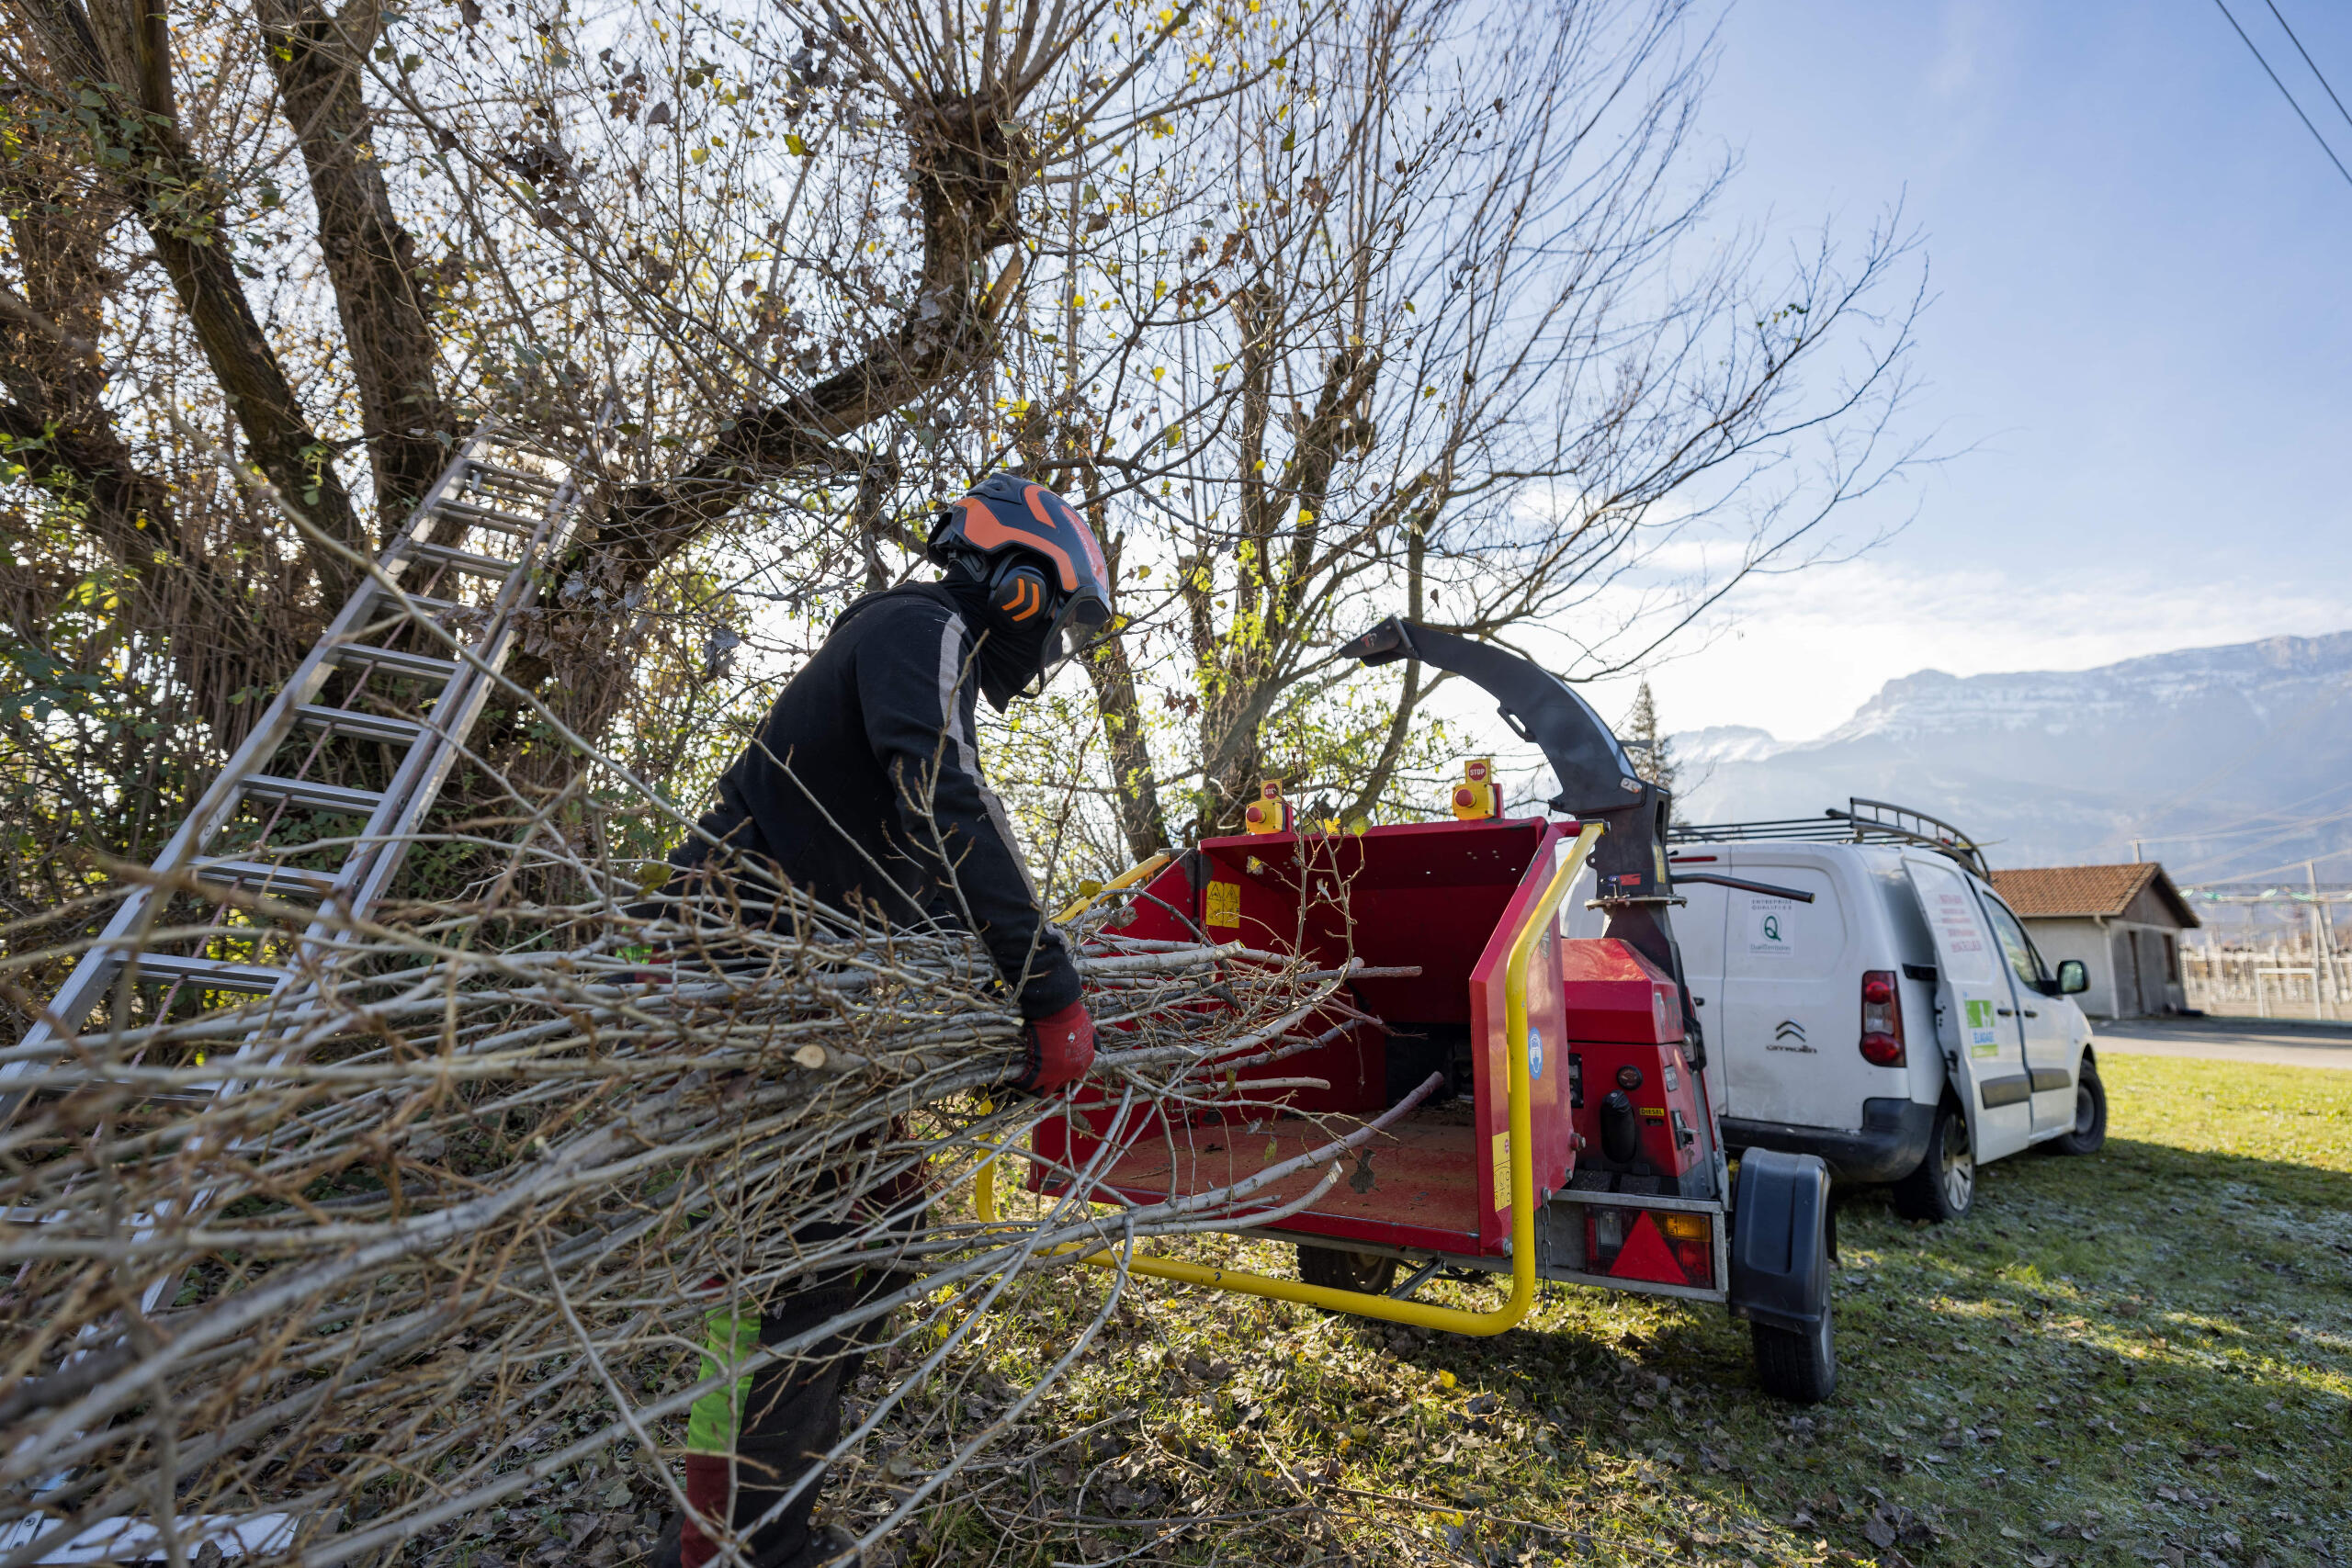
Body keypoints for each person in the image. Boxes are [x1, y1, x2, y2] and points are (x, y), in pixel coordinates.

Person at [650, 473, 1114, 1568]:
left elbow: (919, 874)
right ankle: (747, 1540)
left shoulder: (925, 651)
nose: (1051, 644)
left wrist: (982, 1010)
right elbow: (945, 799)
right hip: (741, 978)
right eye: (1058, 615)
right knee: (843, 1249)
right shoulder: (920, 626)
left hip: (776, 986)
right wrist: (1048, 990)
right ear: (1014, 585)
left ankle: (723, 1527)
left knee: (849, 1242)